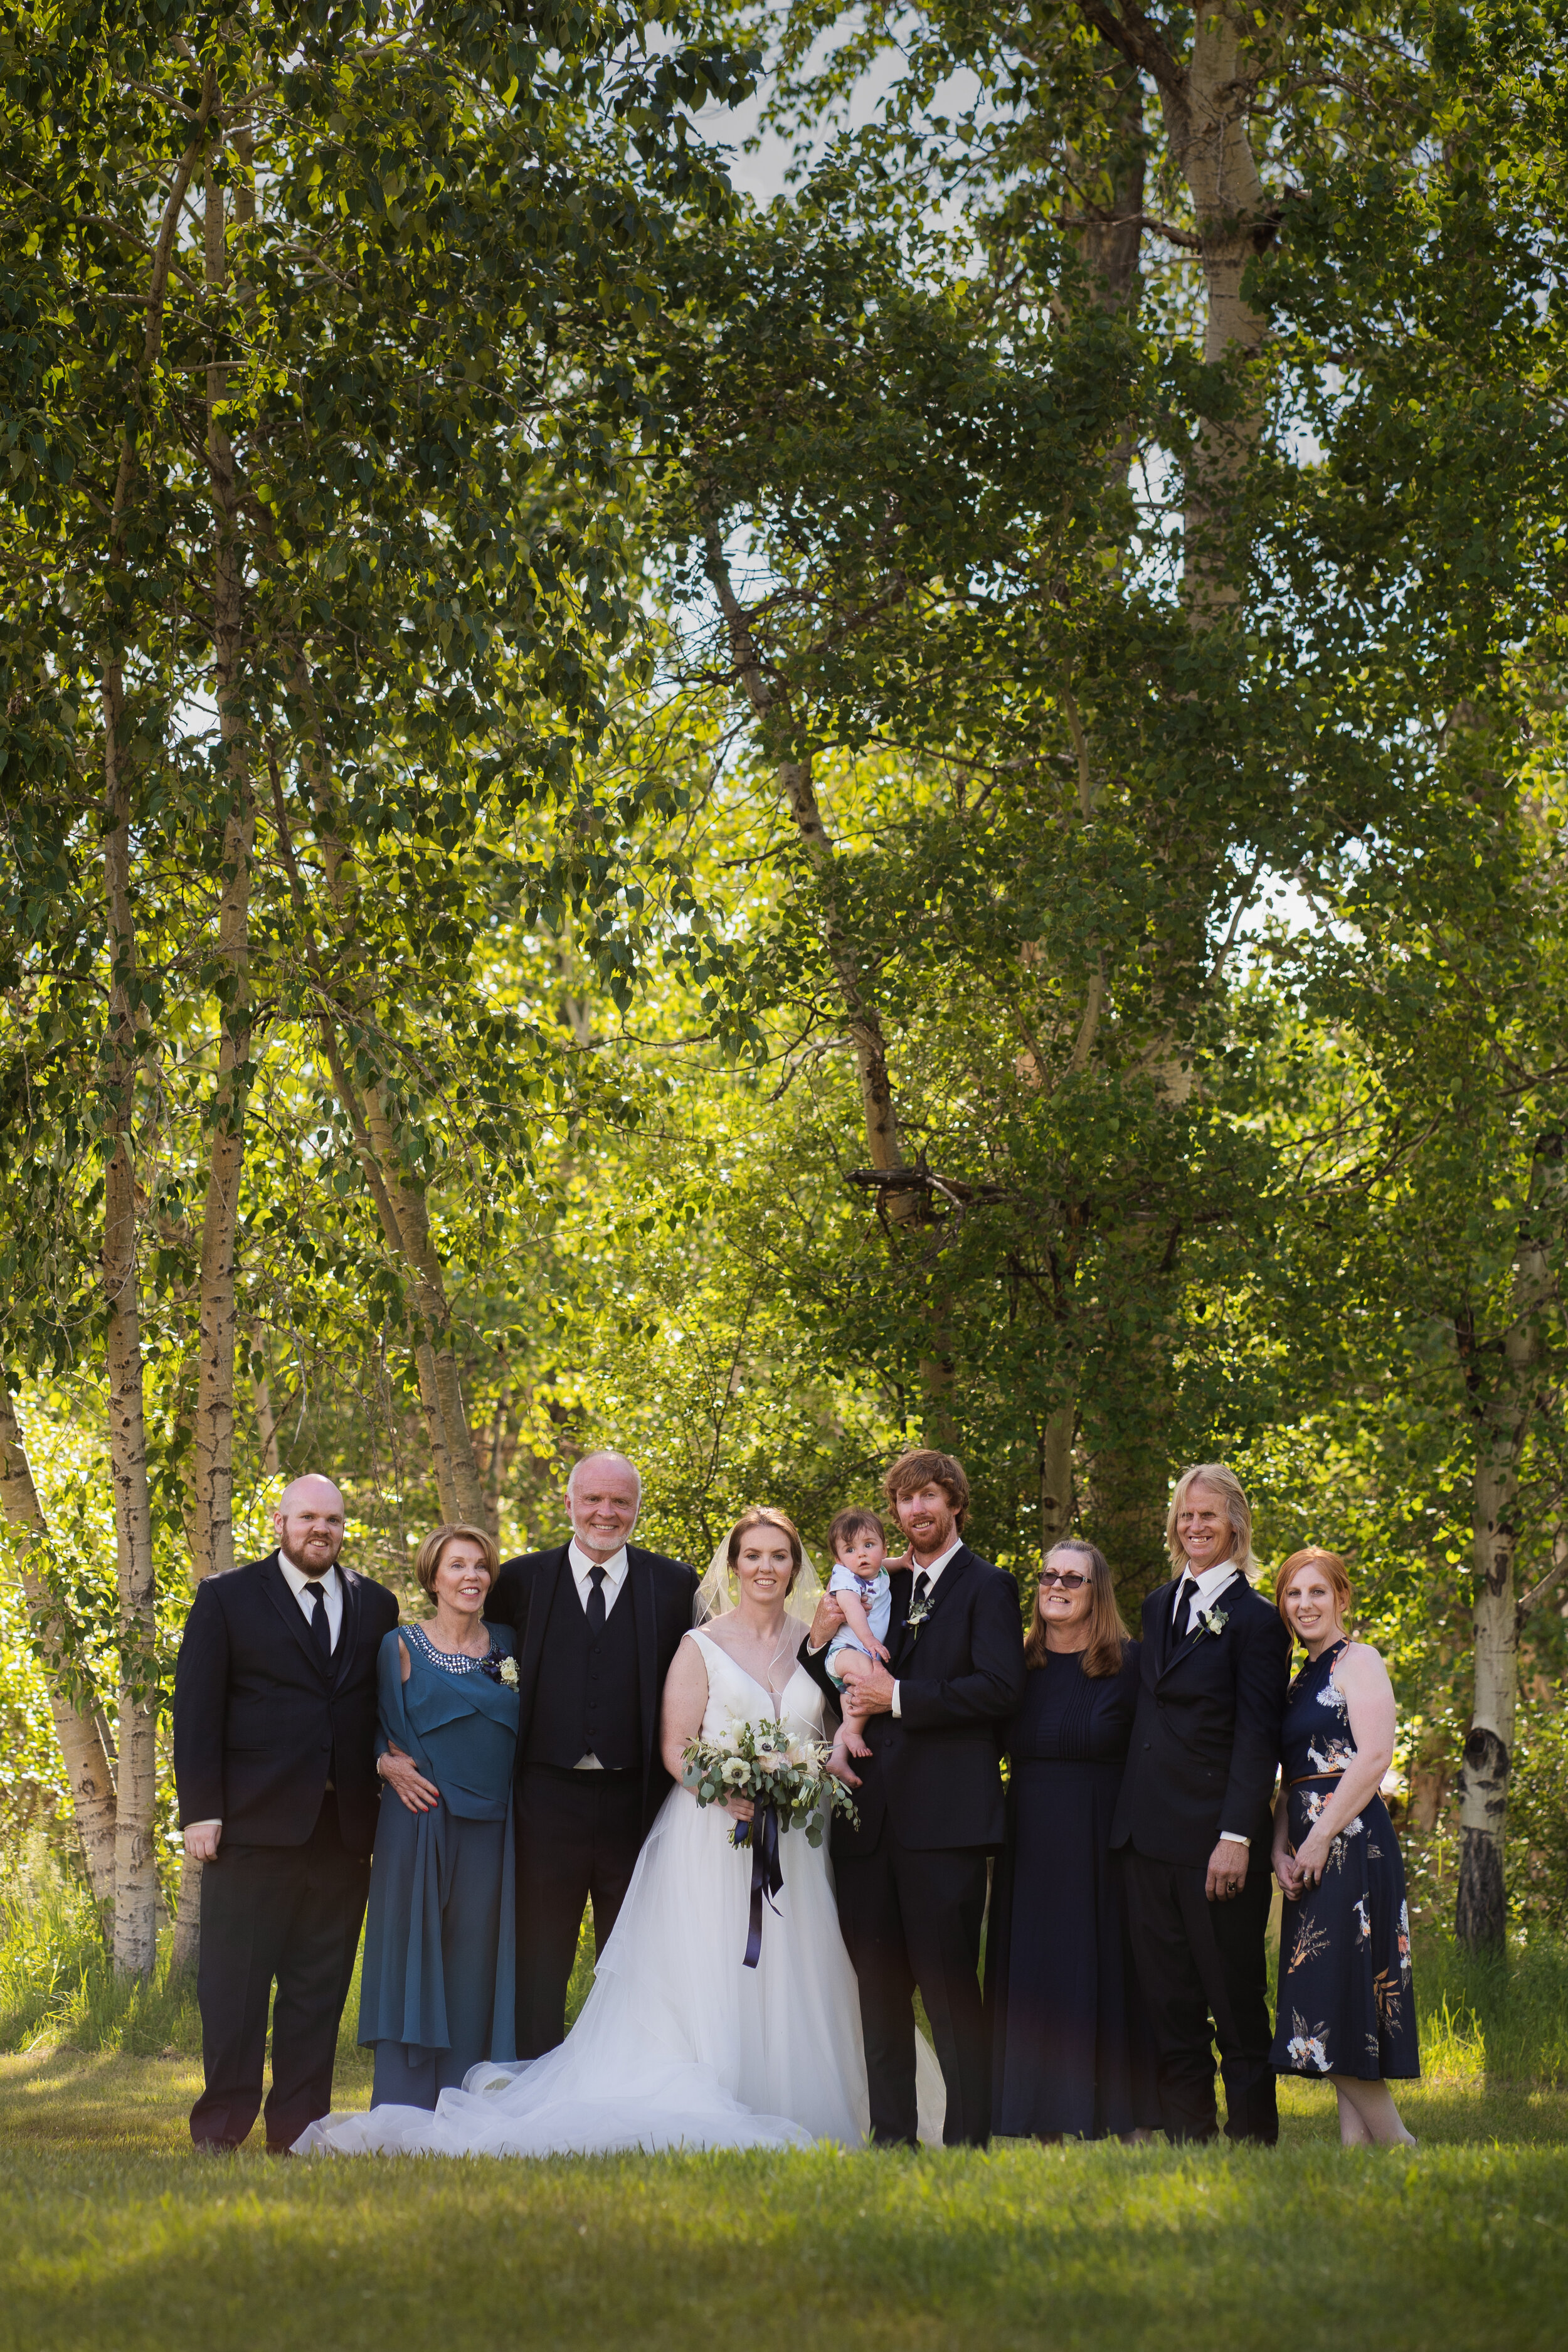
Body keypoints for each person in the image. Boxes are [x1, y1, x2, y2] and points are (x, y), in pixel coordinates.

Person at [296, 1508, 942, 2156]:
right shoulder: (697, 1640)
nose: (765, 1568)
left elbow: (834, 1724)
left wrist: (817, 1766)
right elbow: (677, 1747)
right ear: (735, 1564)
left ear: (796, 1568)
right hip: (709, 1835)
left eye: (779, 1557)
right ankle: (710, 2084)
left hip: (792, 1848)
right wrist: (728, 1789)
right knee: (700, 1971)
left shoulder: (815, 1642)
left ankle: (799, 2094)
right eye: (753, 1556)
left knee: (796, 1970)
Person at [803, 1447, 1026, 2148]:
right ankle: (890, 2135)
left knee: (951, 1990)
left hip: (946, 1823)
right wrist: (816, 1644)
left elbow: (1000, 1689)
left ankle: (969, 2138)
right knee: (878, 1991)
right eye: (904, 1499)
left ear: (955, 1503)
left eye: (930, 1496)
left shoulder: (988, 1586)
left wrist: (898, 1697)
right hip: (868, 1821)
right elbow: (834, 1674)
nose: (916, 1510)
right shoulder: (878, 1584)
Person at [172, 1473, 399, 2151]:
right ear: (279, 1523)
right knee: (234, 1991)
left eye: (331, 1520)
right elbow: (196, 1714)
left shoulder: (376, 1604)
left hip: (342, 1832)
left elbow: (377, 1711)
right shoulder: (226, 1598)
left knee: (316, 1991)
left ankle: (298, 2130)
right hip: (250, 1827)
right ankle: (220, 2128)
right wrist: (201, 1812)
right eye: (306, 1518)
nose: (318, 1530)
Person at [477, 1452, 699, 2058]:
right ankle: (529, 2073)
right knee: (539, 1951)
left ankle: (621, 2076)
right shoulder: (519, 1582)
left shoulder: (675, 1585)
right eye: (594, 1500)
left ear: (636, 1510)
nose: (606, 1513)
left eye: (620, 1502)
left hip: (638, 1800)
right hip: (544, 1798)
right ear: (569, 1503)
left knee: (631, 1952)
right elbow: (481, 1671)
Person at [1110, 1461, 1292, 2144]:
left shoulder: (1256, 1621)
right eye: (1185, 1516)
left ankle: (1252, 2140)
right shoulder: (1159, 1605)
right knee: (1170, 2003)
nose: (1194, 1527)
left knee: (1235, 1998)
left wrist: (1236, 1838)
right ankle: (1190, 2137)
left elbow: (1258, 1737)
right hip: (1145, 1837)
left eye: (1208, 1516)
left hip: (1216, 1843)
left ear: (1235, 1526)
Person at [985, 1539, 1158, 2141]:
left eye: (1073, 1579)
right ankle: (1039, 2117)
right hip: (1028, 1837)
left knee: (1104, 1968)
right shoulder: (1016, 1662)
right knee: (1035, 1971)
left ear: (1097, 1593)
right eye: (1047, 1575)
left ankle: (1119, 2114)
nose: (1056, 1586)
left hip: (1100, 1838)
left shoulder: (1131, 1663)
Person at [353, 1524, 520, 2109]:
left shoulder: (508, 1645)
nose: (470, 1576)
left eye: (480, 1566)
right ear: (432, 1576)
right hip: (419, 1817)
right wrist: (382, 1762)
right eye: (457, 1566)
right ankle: (403, 2100)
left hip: (493, 1825)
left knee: (476, 1958)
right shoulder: (398, 1647)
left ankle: (467, 2096)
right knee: (411, 1951)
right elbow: (365, 1724)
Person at [1270, 1546, 1418, 2144]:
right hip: (1308, 1843)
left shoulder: (1359, 1661)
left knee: (1333, 1991)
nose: (1305, 1604)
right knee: (1336, 1993)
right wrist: (1283, 1846)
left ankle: (1398, 2143)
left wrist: (1320, 1837)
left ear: (1341, 1598)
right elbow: (1290, 1779)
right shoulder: (1298, 1676)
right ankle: (1354, 2158)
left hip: (1353, 1842)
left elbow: (1375, 1757)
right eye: (1293, 1594)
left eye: (1317, 1592)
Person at [822, 1505, 893, 1768]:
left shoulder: (881, 1571)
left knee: (850, 1708)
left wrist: (905, 1561)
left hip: (856, 1654)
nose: (861, 1554)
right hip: (844, 1653)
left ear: (884, 1549)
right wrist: (870, 1641)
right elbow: (852, 1610)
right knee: (869, 1676)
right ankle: (853, 1733)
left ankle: (838, 1760)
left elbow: (889, 1566)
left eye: (869, 1545)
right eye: (850, 1550)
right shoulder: (845, 1578)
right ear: (839, 1559)